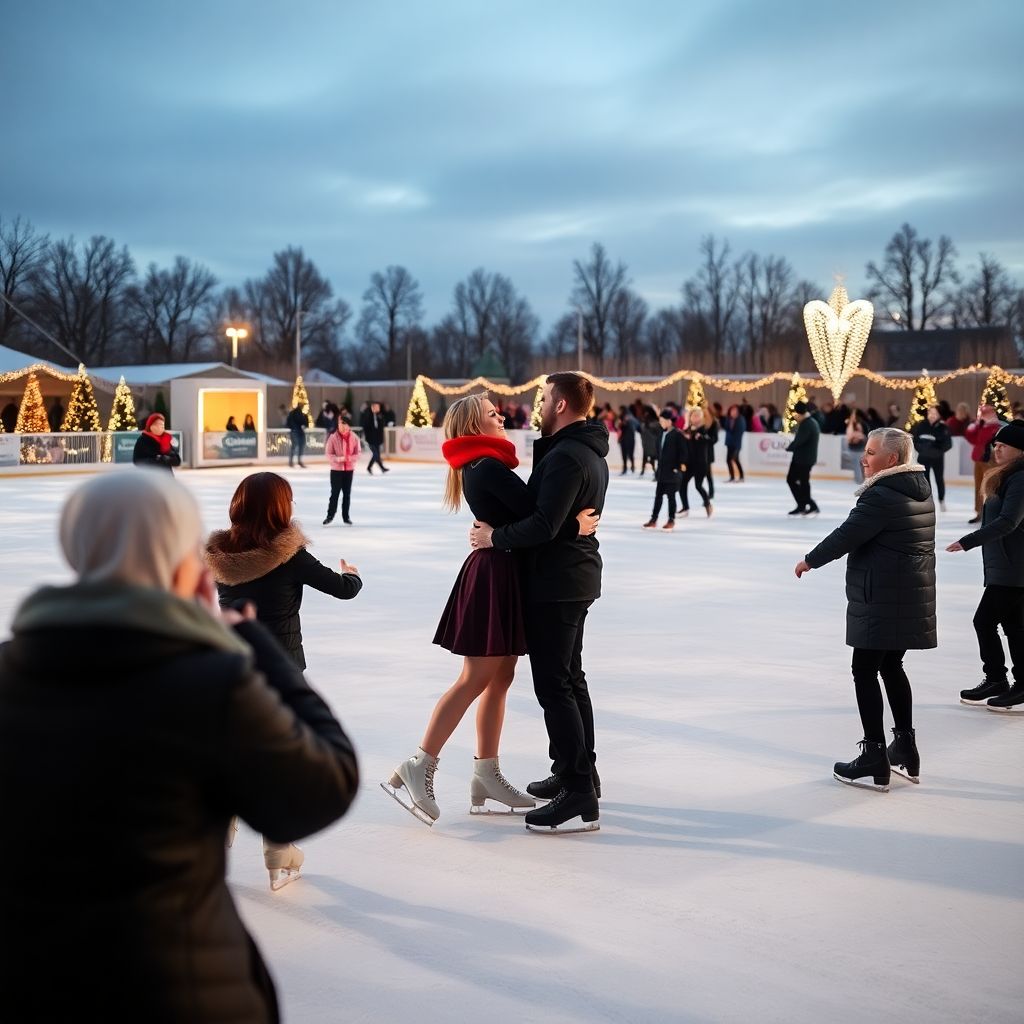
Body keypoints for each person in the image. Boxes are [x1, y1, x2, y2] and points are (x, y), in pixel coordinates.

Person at [0, 470, 359, 1022]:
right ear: (180, 556)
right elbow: (323, 787)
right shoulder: (209, 683)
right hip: (180, 987)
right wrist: (253, 649)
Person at [384, 395, 600, 826]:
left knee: (501, 677)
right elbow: (541, 520)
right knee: (476, 677)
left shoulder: (485, 465)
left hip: (504, 572)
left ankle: (486, 772)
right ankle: (420, 763)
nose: (501, 415)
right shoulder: (486, 467)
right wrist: (571, 526)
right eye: (491, 413)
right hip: (494, 575)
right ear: (472, 424)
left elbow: (530, 520)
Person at [469, 372, 609, 834]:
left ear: (562, 405)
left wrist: (494, 537)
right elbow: (555, 517)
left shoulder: (568, 455)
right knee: (570, 678)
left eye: (546, 398)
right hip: (570, 577)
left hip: (558, 582)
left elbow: (543, 524)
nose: (540, 405)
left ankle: (578, 791)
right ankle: (580, 772)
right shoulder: (576, 449)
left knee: (555, 686)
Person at [795, 427, 936, 791]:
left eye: (871, 452)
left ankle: (874, 756)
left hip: (883, 596)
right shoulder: (919, 490)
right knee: (891, 665)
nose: (864, 457)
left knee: (864, 669)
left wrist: (811, 560)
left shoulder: (882, 495)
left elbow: (847, 534)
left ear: (892, 460)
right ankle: (905, 746)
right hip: (907, 595)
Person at [204, 472, 363, 670]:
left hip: (235, 660)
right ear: (280, 507)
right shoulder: (290, 556)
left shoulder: (218, 555)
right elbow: (344, 589)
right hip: (282, 664)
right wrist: (351, 574)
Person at [949, 422, 1024, 713]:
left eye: (1003, 445)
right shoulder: (1008, 476)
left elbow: (1008, 522)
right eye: (995, 444)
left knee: (985, 621)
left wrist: (968, 541)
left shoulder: (1019, 478)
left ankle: (996, 679)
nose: (997, 448)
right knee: (1014, 627)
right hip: (1007, 565)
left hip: (1013, 567)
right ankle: (1014, 683)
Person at [643, 408, 686, 530]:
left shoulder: (677, 434)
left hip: (672, 472)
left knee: (671, 497)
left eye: (662, 420)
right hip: (662, 471)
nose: (660, 423)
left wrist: (678, 468)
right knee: (658, 496)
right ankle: (653, 519)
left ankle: (671, 520)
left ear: (669, 421)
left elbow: (683, 453)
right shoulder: (662, 433)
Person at [965, 404, 1004, 524]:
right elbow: (972, 439)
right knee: (979, 486)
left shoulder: (995, 427)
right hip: (979, 459)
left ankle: (991, 512)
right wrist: (973, 428)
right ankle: (979, 512)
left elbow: (993, 443)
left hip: (990, 460)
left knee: (990, 487)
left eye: (982, 413)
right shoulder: (981, 426)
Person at [911, 406, 953, 511]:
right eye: (931, 413)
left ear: (939, 415)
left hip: (937, 458)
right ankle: (927, 501)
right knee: (925, 480)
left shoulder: (943, 427)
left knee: (939, 479)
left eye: (935, 413)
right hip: (923, 458)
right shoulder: (921, 425)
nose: (932, 415)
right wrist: (921, 449)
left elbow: (948, 444)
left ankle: (941, 500)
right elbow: (915, 440)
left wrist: (937, 450)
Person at [785, 401, 820, 515]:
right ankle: (805, 505)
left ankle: (806, 504)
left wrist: (789, 447)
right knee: (801, 482)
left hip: (803, 459)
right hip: (804, 458)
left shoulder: (807, 424)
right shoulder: (810, 422)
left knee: (795, 480)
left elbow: (799, 441)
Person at [324, 419, 361, 525]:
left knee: (347, 494)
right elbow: (328, 454)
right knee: (335, 493)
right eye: (340, 424)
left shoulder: (354, 437)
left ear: (349, 426)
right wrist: (338, 459)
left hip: (349, 470)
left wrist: (349, 458)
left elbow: (358, 453)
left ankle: (346, 517)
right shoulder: (333, 437)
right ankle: (330, 515)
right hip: (336, 470)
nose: (342, 427)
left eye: (345, 424)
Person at [679, 407, 713, 518]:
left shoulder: (704, 430)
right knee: (682, 484)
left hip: (701, 463)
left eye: (698, 416)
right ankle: (685, 507)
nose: (695, 418)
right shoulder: (688, 429)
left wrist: (701, 437)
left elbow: (710, 440)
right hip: (690, 463)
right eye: (693, 416)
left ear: (701, 418)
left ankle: (707, 503)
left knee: (698, 486)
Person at [360, 400, 388, 474]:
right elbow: (365, 427)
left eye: (378, 407)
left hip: (377, 438)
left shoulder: (380, 416)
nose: (377, 408)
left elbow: (381, 426)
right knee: (376, 454)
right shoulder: (368, 415)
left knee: (377, 454)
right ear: (372, 407)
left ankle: (378, 468)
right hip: (370, 439)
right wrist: (366, 438)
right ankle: (374, 467)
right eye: (376, 407)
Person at [723, 404, 745, 481]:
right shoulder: (728, 419)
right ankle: (732, 477)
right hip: (729, 443)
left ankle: (741, 476)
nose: (733, 412)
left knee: (735, 459)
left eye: (735, 410)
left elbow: (740, 432)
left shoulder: (740, 419)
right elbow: (726, 429)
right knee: (728, 460)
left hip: (737, 443)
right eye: (732, 410)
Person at [617, 404, 638, 474]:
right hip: (631, 438)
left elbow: (619, 426)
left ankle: (625, 468)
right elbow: (638, 427)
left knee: (625, 454)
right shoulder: (632, 417)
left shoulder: (623, 417)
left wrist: (620, 423)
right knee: (630, 454)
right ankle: (632, 467)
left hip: (624, 438)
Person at [846, 414, 867, 485]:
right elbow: (849, 438)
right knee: (858, 465)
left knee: (858, 465)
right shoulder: (852, 428)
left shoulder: (858, 426)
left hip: (859, 449)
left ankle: (859, 479)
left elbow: (862, 437)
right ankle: (859, 479)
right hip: (855, 449)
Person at [286, 403, 308, 468]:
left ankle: (293, 462)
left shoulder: (295, 413)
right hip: (297, 431)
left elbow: (289, 423)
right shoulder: (299, 414)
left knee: (296, 446)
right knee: (297, 446)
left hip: (296, 431)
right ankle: (295, 461)